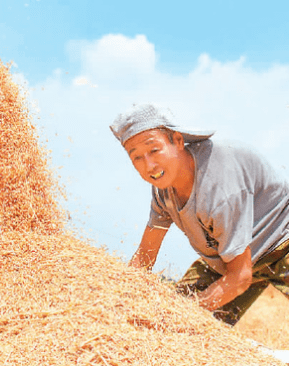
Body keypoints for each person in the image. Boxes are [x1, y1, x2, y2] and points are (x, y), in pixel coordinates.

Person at [110, 103, 289, 325]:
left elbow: (240, 278)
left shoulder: (219, 188)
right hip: (228, 260)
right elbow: (146, 254)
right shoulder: (163, 190)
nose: (149, 165)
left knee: (181, 317)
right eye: (136, 157)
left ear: (177, 141)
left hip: (281, 244)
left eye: (154, 150)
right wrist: (116, 298)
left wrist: (183, 315)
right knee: (170, 324)